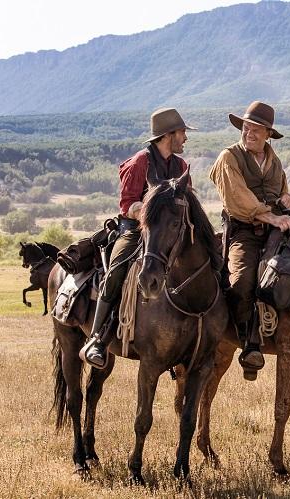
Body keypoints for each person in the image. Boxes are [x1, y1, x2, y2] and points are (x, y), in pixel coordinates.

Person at [81, 108, 195, 368]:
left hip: (170, 230)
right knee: (116, 271)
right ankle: (97, 339)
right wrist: (153, 214)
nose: (185, 138)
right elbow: (127, 204)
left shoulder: (181, 166)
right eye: (182, 132)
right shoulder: (139, 163)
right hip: (134, 229)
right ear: (169, 135)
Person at [209, 101, 290, 381]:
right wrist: (269, 216)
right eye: (246, 127)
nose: (249, 133)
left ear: (268, 133)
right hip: (244, 231)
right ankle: (249, 343)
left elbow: (284, 192)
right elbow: (237, 197)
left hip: (275, 228)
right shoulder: (229, 157)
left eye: (256, 129)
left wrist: (287, 201)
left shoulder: (274, 161)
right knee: (242, 280)